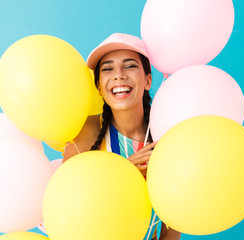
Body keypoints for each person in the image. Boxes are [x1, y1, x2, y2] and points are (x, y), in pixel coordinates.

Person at [63, 33, 181, 240]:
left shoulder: (165, 133)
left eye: (130, 66)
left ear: (147, 80)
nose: (119, 75)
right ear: (99, 86)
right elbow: (67, 208)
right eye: (107, 69)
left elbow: (175, 215)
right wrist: (123, 173)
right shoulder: (86, 133)